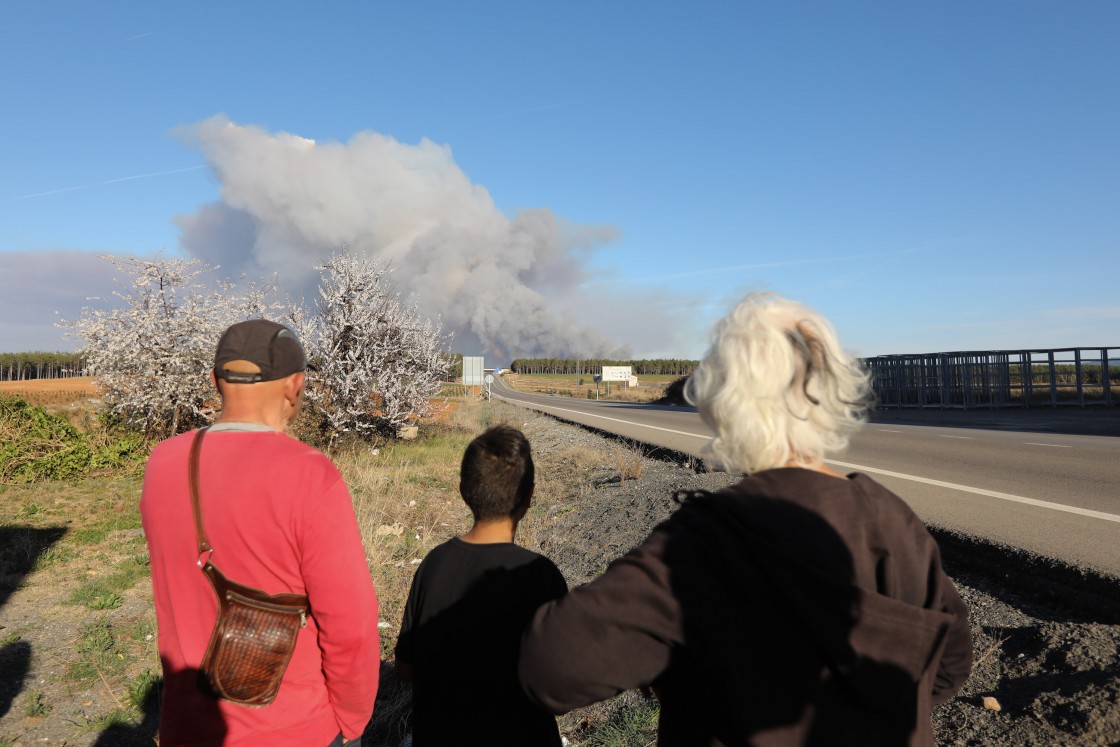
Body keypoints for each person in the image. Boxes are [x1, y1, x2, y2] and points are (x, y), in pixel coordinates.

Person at [519, 292, 973, 747]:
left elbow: (551, 669)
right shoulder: (894, 520)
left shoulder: (702, 544)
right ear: (834, 387)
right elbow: (950, 665)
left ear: (724, 401)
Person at [140, 319, 379, 746]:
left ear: (215, 381)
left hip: (190, 726)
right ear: (295, 385)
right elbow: (350, 626)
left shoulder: (162, 463)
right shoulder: (310, 475)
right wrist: (352, 720)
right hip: (294, 728)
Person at [395, 425, 568, 746]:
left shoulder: (433, 565)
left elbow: (405, 669)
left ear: (462, 491)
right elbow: (561, 686)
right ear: (529, 496)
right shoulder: (541, 576)